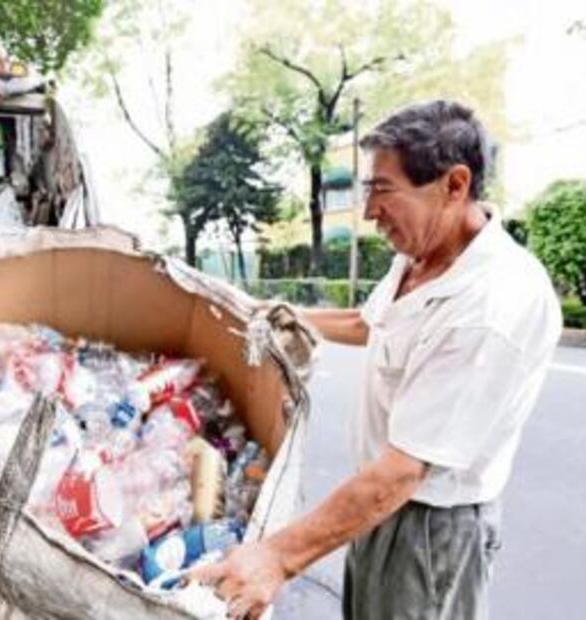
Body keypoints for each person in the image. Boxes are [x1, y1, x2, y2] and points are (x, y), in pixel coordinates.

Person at [191, 101, 562, 619]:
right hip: (379, 509)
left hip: (429, 531)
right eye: (368, 192)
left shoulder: (489, 305)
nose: (369, 213)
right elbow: (371, 322)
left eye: (383, 191)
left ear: (454, 185)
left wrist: (276, 557)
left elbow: (401, 473)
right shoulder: (422, 256)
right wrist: (278, 315)